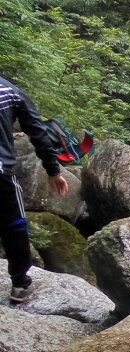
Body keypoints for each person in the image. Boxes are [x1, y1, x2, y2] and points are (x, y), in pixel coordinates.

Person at [0, 75, 68, 303]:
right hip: (1, 172)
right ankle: (20, 283)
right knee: (14, 224)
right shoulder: (9, 91)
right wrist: (53, 170)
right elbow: (37, 130)